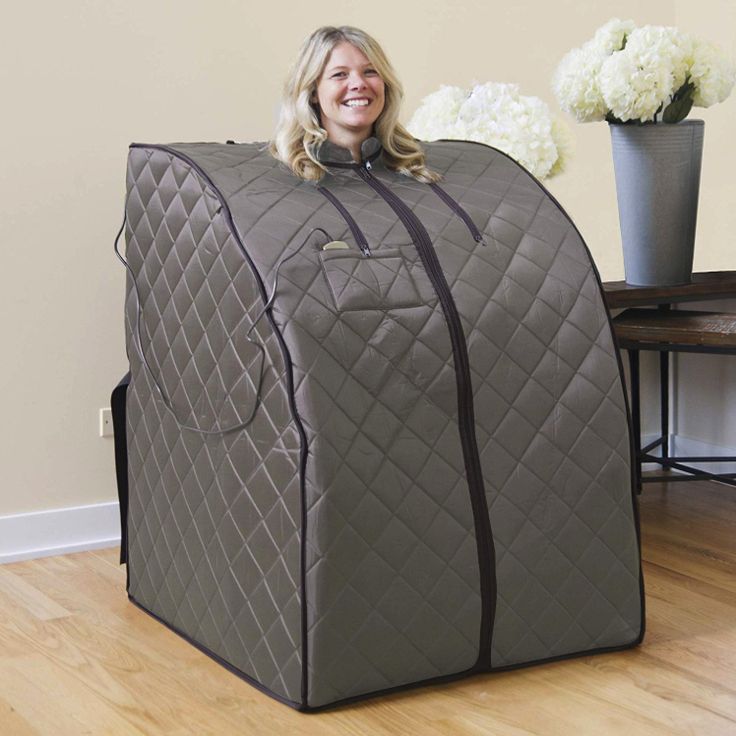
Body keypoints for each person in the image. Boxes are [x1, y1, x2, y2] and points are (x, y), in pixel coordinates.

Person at [269, 25, 440, 182]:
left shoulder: (418, 163)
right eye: (340, 74)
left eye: (370, 71)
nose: (359, 83)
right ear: (313, 92)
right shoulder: (280, 179)